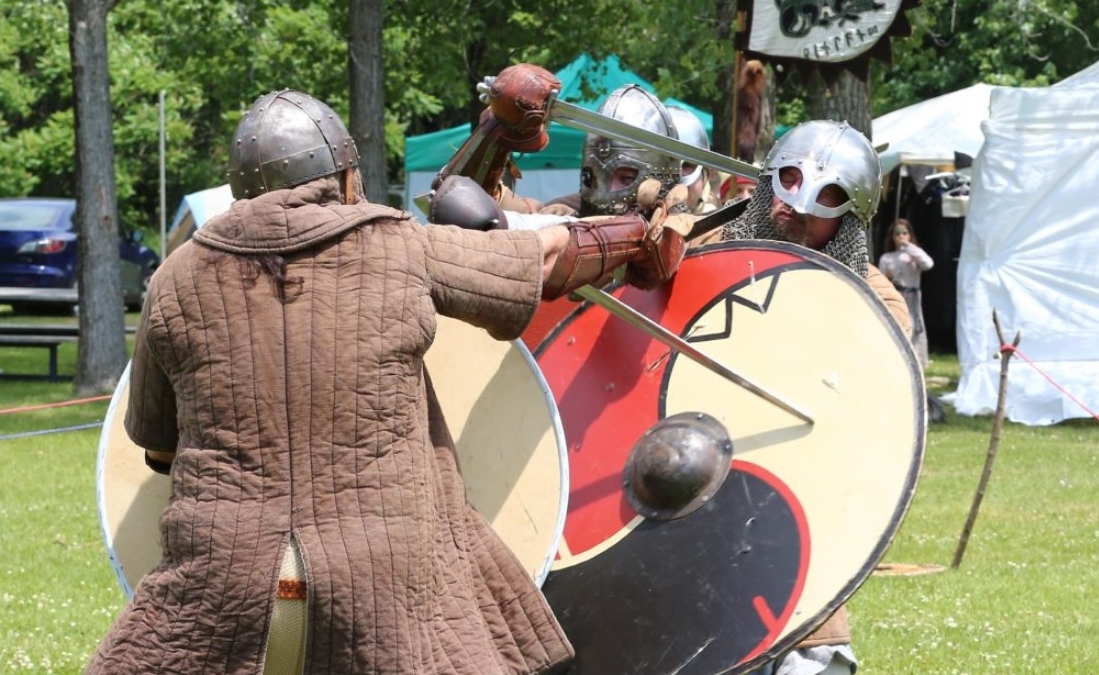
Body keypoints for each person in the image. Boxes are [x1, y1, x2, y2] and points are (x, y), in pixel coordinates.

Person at [84, 89, 688, 675]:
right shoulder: (394, 245)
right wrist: (637, 235)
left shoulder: (175, 277)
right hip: (379, 590)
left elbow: (160, 449)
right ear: (344, 176)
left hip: (221, 588)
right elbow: (545, 260)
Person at [707, 119, 911, 675]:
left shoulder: (874, 300)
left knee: (804, 650)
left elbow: (873, 408)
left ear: (850, 216)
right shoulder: (708, 252)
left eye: (825, 195)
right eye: (788, 179)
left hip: (793, 492)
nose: (794, 203)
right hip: (692, 470)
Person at [434, 64, 682, 222]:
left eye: (627, 178)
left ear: (663, 178)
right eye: (591, 178)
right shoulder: (564, 219)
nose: (606, 192)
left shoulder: (698, 234)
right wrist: (498, 128)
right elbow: (456, 198)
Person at [879, 218, 934, 367]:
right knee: (898, 326)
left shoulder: (914, 253)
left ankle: (918, 362)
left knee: (916, 328)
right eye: (897, 233)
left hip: (913, 296)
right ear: (892, 236)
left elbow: (928, 264)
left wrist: (910, 248)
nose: (901, 236)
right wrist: (889, 278)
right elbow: (881, 281)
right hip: (897, 295)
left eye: (904, 233)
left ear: (909, 235)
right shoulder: (887, 257)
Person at [666, 105, 721, 214]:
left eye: (687, 165)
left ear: (705, 176)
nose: (677, 175)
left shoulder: (718, 227)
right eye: (666, 162)